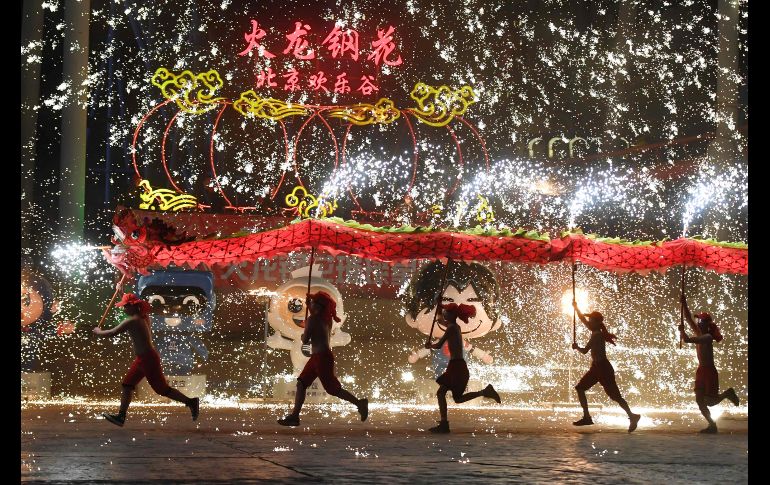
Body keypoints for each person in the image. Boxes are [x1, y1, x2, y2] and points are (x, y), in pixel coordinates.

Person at [93, 293, 199, 427]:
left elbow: (111, 333)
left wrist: (98, 332)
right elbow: (129, 304)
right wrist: (120, 290)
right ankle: (121, 416)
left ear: (132, 307)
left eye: (125, 307)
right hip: (142, 359)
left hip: (148, 360)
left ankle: (191, 402)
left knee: (162, 389)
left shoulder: (132, 321)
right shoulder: (143, 317)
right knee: (127, 385)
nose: (123, 309)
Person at [277, 291, 368, 426]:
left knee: (333, 389)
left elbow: (306, 340)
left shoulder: (313, 320)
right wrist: (310, 308)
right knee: (301, 383)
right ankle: (295, 416)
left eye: (313, 302)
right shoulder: (326, 319)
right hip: (318, 357)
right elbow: (316, 326)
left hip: (322, 358)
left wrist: (306, 329)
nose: (310, 304)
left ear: (318, 306)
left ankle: (359, 403)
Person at [425, 303, 501, 433]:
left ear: (450, 315)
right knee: (454, 397)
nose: (444, 315)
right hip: (456, 366)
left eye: (446, 313)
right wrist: (439, 306)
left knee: (444, 394)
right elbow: (439, 320)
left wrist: (430, 345)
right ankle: (484, 392)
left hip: (457, 367)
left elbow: (438, 346)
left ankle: (444, 424)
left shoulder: (452, 328)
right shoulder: (455, 327)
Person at [571, 301, 640, 432]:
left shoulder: (597, 335)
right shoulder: (595, 330)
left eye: (591, 320)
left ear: (596, 323)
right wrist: (576, 308)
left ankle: (632, 416)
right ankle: (587, 417)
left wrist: (576, 347)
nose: (588, 322)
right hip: (596, 367)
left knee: (615, 397)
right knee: (580, 388)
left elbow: (585, 351)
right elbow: (582, 319)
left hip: (603, 368)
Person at [679, 294, 740, 433]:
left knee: (710, 402)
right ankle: (712, 425)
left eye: (700, 321)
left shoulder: (707, 337)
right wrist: (684, 304)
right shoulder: (700, 332)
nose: (698, 323)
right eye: (698, 320)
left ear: (706, 324)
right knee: (700, 402)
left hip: (709, 372)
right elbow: (688, 319)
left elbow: (688, 340)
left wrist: (682, 332)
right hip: (701, 370)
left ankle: (727, 394)